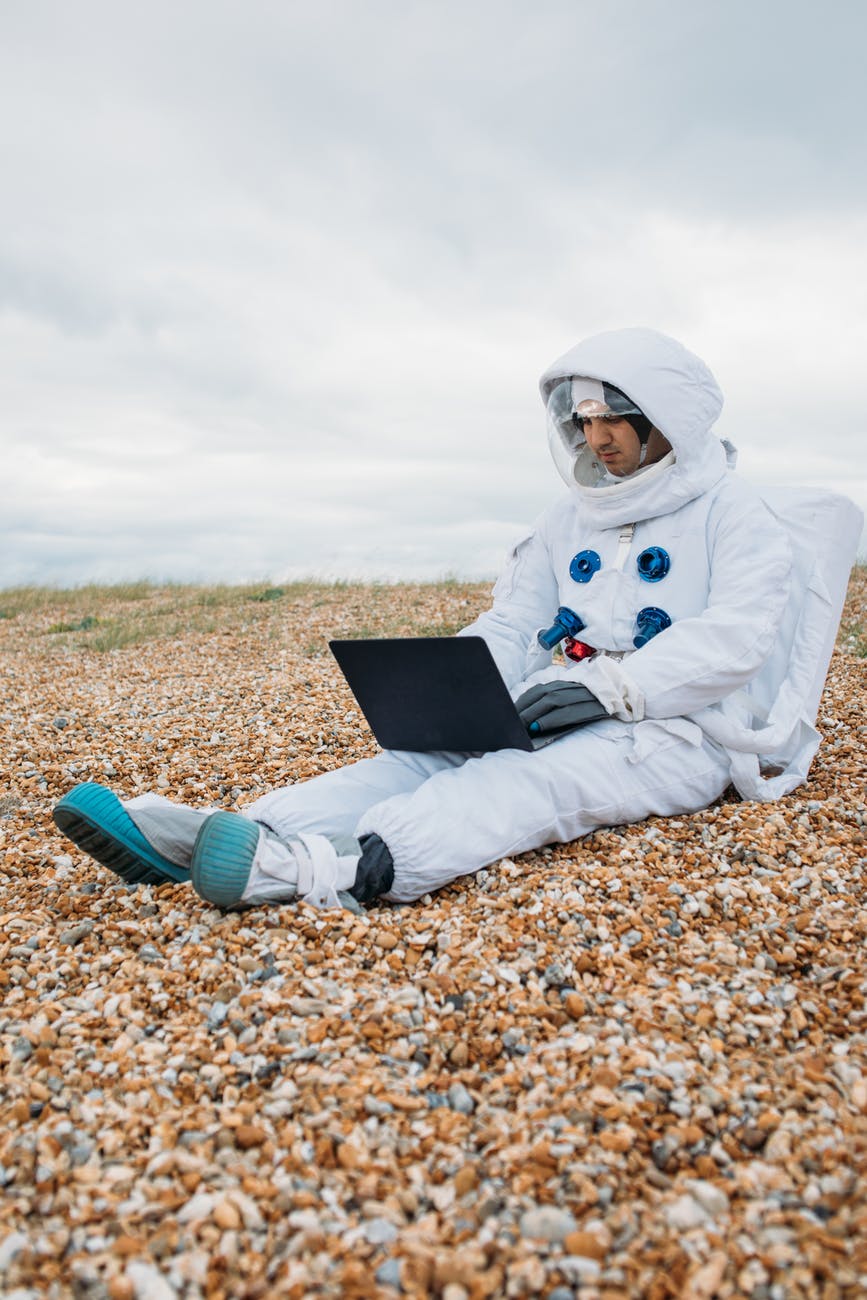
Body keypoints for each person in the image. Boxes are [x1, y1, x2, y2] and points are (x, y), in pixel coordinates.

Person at [53, 327, 861, 912]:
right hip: (559, 698)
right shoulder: (568, 517)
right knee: (422, 755)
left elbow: (736, 638)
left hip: (680, 729)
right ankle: (231, 834)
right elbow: (516, 622)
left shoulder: (733, 514)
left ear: (667, 420)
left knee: (522, 782)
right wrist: (458, 682)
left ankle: (325, 871)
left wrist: (614, 688)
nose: (595, 437)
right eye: (582, 421)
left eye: (612, 417)